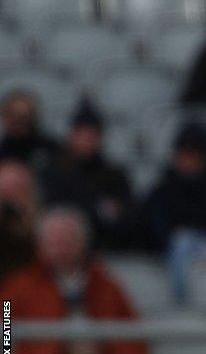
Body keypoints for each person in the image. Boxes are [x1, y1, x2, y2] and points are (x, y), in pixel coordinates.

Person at [0, 208, 148, 354]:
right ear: (40, 245)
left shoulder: (105, 285)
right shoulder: (19, 286)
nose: (61, 249)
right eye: (54, 243)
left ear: (83, 243)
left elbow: (133, 333)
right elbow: (5, 325)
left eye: (68, 241)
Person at [140, 124, 206, 301]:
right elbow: (154, 234)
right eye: (184, 154)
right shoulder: (163, 192)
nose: (189, 161)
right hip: (173, 257)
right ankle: (181, 302)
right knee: (182, 243)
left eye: (195, 155)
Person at [43, 101, 136, 251]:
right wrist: (97, 210)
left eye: (92, 134)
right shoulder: (56, 173)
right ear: (72, 136)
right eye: (82, 134)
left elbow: (127, 217)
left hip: (107, 247)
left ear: (100, 138)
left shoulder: (115, 175)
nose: (87, 140)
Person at [0, 89, 59, 173]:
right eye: (15, 117)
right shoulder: (2, 152)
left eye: (25, 117)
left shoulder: (52, 151)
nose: (20, 122)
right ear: (5, 117)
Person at [0, 159, 39, 283]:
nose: (10, 198)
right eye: (5, 191)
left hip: (27, 288)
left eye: (17, 189)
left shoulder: (42, 223)